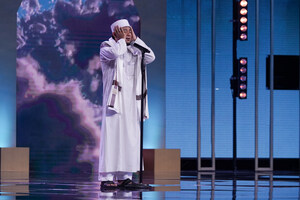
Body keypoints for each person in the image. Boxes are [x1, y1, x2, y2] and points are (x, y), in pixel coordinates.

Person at [98, 19, 155, 190]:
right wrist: (122, 40)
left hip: (131, 103)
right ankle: (106, 178)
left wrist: (135, 39)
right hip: (114, 103)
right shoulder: (106, 47)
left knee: (129, 139)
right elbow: (116, 53)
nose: (127, 33)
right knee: (112, 139)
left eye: (129, 30)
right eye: (123, 30)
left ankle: (125, 178)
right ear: (115, 33)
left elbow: (151, 56)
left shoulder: (135, 51)